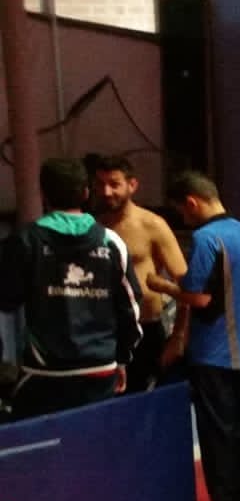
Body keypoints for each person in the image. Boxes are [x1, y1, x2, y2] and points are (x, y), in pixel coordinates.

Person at [155, 172, 240, 501]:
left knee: (219, 438)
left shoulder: (206, 239)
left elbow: (200, 297)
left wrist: (162, 286)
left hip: (215, 355)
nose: (184, 219)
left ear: (192, 203)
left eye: (182, 212)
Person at [0, 157, 141, 419]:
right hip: (100, 371)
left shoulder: (24, 241)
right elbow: (130, 309)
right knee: (95, 440)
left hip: (44, 373)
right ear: (86, 193)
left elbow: (7, 299)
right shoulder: (112, 242)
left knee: (42, 443)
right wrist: (122, 358)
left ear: (43, 195)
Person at [88, 152, 187, 391]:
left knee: (144, 401)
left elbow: (186, 283)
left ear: (132, 185)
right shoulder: (91, 226)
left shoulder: (152, 225)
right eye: (100, 184)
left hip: (146, 330)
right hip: (104, 332)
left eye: (114, 184)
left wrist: (178, 337)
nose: (106, 191)